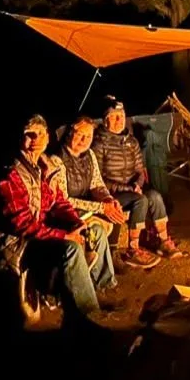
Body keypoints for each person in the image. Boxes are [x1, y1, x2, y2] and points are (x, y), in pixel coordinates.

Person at [0, 115, 113, 319]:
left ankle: (92, 291)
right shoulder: (11, 174)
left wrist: (76, 223)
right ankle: (89, 315)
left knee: (92, 231)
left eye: (41, 134)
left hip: (39, 230)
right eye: (29, 135)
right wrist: (64, 236)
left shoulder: (43, 166)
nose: (36, 139)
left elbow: (58, 201)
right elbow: (23, 224)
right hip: (15, 241)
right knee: (70, 248)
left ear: (47, 137)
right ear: (20, 138)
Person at [50, 116, 150, 271]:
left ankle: (112, 263)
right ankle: (102, 267)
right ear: (70, 133)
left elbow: (97, 183)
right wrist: (101, 207)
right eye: (80, 135)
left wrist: (108, 199)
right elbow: (63, 200)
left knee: (116, 208)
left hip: (86, 208)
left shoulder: (89, 155)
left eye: (88, 136)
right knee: (101, 225)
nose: (84, 140)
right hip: (66, 213)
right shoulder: (57, 161)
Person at [92, 96, 182, 260]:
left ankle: (163, 240)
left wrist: (138, 184)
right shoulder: (99, 144)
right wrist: (128, 188)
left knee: (154, 196)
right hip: (113, 193)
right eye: (114, 117)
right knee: (140, 200)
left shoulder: (131, 141)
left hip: (133, 188)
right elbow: (97, 178)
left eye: (122, 115)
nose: (120, 120)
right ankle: (133, 248)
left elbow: (140, 170)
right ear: (106, 120)